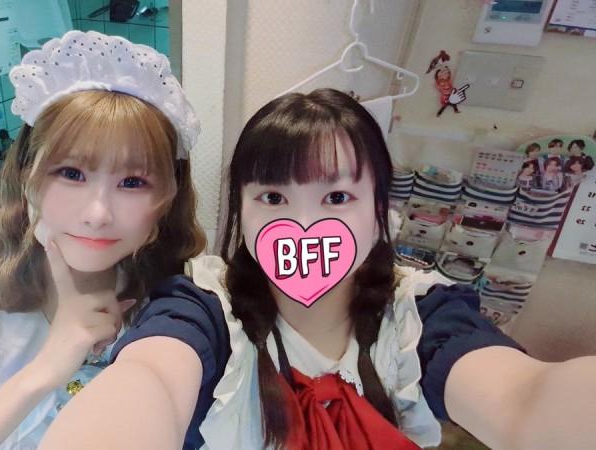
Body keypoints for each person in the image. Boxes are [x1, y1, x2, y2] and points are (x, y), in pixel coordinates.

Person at [39, 89, 596, 450]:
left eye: (336, 197)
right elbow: (151, 377)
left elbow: (522, 395)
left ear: (379, 211)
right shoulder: (203, 308)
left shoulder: (419, 315)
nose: (304, 224)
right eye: (273, 198)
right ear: (241, 212)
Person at [0, 30, 205, 450]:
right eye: (72, 174)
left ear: (168, 196)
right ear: (27, 174)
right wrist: (45, 370)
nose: (97, 214)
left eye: (133, 182)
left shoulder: (174, 282)